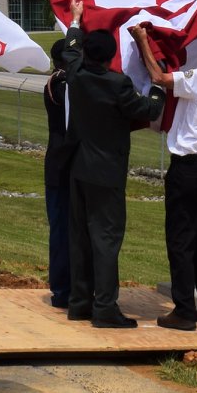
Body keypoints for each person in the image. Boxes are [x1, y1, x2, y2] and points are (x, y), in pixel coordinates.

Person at [61, 18, 166, 327]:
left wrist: (76, 20)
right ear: (109, 58)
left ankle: (80, 302)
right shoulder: (117, 83)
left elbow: (70, 48)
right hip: (107, 172)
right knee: (106, 240)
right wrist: (158, 84)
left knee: (81, 237)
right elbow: (149, 110)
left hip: (80, 168)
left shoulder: (75, 73)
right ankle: (105, 307)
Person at [131, 26, 197, 331]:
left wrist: (143, 42)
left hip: (188, 166)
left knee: (180, 238)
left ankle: (184, 310)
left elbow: (159, 79)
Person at [42, 28, 78, 308]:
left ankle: (72, 285)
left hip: (66, 165)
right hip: (60, 166)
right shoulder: (59, 83)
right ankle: (62, 288)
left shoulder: (65, 81)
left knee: (72, 229)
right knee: (61, 230)